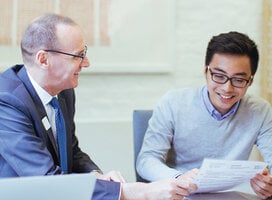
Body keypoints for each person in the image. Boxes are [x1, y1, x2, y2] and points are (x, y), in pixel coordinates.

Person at [0, 13, 198, 200]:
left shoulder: (64, 92)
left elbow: (72, 151)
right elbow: (46, 180)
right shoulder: (7, 102)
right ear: (44, 59)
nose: (86, 62)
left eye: (84, 53)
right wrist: (139, 191)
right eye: (77, 55)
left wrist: (94, 175)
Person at [136, 31, 272, 199]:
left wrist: (269, 183)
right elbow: (146, 160)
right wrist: (178, 178)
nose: (227, 88)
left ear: (250, 81)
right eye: (219, 76)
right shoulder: (173, 103)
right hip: (182, 195)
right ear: (206, 71)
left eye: (238, 80)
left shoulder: (261, 110)